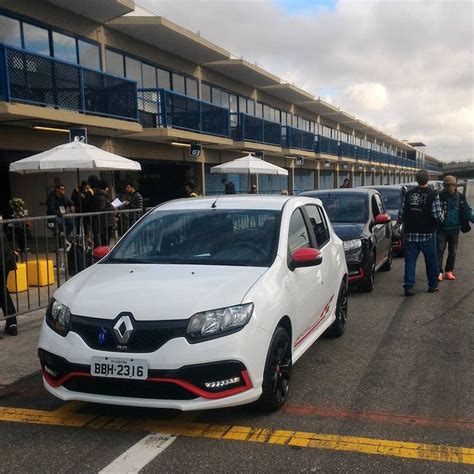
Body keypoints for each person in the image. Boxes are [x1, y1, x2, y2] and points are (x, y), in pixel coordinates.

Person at [400, 169, 441, 296]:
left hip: (411, 233)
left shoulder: (408, 194)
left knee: (410, 261)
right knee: (431, 260)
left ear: (417, 179)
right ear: (427, 179)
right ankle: (432, 285)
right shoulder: (433, 195)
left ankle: (408, 286)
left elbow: (402, 213)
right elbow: (437, 215)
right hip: (428, 234)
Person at [437, 175, 473, 281]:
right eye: (445, 185)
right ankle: (438, 271)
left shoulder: (461, 197)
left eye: (449, 185)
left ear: (455, 186)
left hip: (455, 229)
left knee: (453, 251)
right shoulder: (439, 196)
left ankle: (449, 271)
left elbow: (468, 211)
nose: (447, 187)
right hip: (441, 229)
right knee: (439, 250)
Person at [0, 230, 18, 336]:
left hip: (3, 260)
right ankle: (12, 324)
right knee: (2, 292)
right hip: (5, 260)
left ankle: (12, 323)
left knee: (2, 292)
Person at [92, 180, 115, 247]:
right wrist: (112, 208)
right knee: (105, 240)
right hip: (106, 222)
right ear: (105, 187)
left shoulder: (101, 195)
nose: (108, 189)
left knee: (105, 240)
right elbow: (102, 209)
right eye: (107, 187)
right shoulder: (102, 197)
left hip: (106, 221)